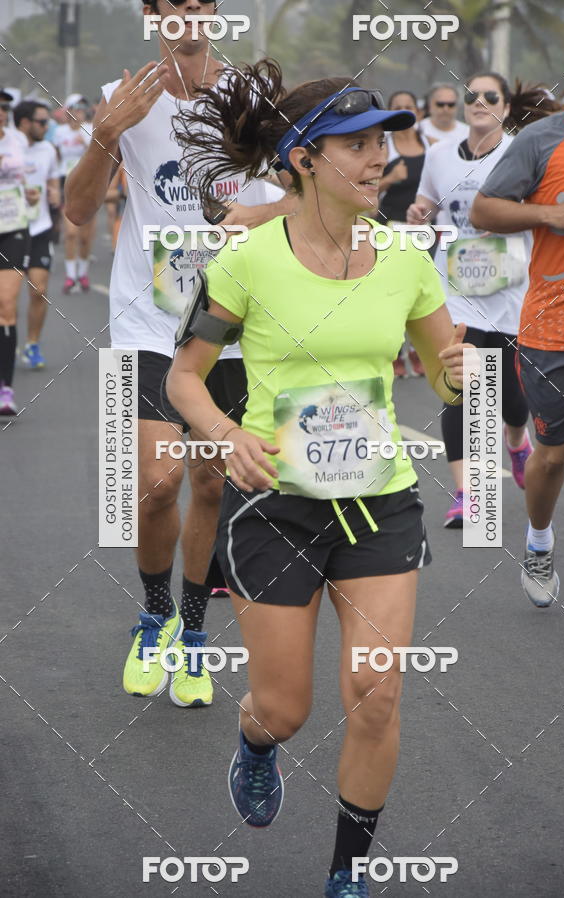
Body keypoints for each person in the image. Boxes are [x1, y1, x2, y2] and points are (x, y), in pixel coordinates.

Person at [167, 60, 473, 897]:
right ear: (305, 159)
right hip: (274, 507)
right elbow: (183, 377)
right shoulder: (248, 260)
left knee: (376, 693)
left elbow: (447, 382)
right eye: (359, 144)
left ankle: (347, 875)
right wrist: (225, 435)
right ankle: (256, 741)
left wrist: (457, 370)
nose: (382, 158)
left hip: (380, 502)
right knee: (286, 708)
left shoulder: (406, 258)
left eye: (385, 141)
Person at [65, 0, 294, 708]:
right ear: (152, 13)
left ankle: (194, 635)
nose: (188, 15)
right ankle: (152, 616)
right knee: (158, 483)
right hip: (145, 314)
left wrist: (246, 216)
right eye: (174, 5)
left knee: (211, 485)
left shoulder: (251, 96)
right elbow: (77, 212)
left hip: (229, 317)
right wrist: (104, 136)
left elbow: (307, 190)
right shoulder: (120, 98)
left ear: (214, 13)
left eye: (201, 3)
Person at [471, 21, 564, 606]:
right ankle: (540, 541)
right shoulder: (542, 140)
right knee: (554, 455)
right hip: (555, 327)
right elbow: (484, 211)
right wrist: (552, 215)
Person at [407, 73, 562, 526]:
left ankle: (516, 440)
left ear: (506, 106)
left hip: (511, 286)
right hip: (455, 287)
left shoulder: (522, 150)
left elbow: (540, 208)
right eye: (471, 96)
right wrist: (420, 213)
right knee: (464, 383)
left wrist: (505, 218)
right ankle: (467, 494)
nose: (478, 102)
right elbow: (427, 203)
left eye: (489, 96)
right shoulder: (437, 154)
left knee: (510, 396)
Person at [378, 90, 428, 377]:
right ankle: (396, 352)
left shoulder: (430, 146)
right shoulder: (385, 148)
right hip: (391, 226)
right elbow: (368, 188)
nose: (405, 112)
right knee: (395, 291)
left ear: (418, 113)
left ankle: (418, 348)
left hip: (423, 229)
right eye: (398, 108)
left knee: (421, 290)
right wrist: (390, 179)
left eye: (409, 107)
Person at [14, 100, 60, 369]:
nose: (46, 127)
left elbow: (52, 180)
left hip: (40, 228)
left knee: (38, 290)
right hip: (9, 229)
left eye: (47, 122)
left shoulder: (48, 150)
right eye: (42, 122)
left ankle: (32, 344)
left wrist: (54, 193)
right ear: (24, 123)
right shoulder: (7, 147)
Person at [0, 87, 32, 415]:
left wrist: (32, 195)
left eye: (4, 106)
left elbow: (23, 179)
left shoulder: (17, 141)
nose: (0, 111)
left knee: (7, 306)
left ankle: (5, 389)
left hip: (13, 228)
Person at [53, 94, 94, 292]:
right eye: (75, 108)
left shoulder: (90, 129)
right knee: (70, 233)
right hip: (65, 182)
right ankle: (70, 276)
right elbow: (55, 156)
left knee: (85, 237)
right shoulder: (59, 132)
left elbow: (98, 156)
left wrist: (85, 143)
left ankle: (83, 273)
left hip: (86, 184)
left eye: (82, 108)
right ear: (68, 110)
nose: (79, 112)